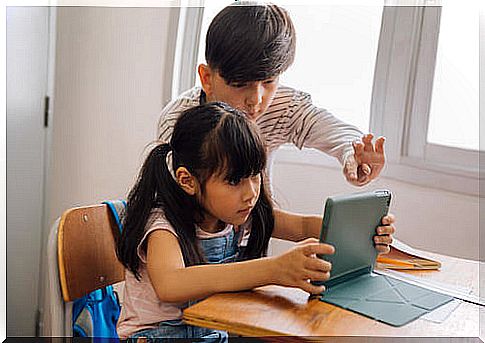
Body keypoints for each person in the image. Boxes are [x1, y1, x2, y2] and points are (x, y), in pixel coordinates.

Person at [158, 2, 395, 254]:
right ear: (207, 78)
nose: (256, 99)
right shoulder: (179, 122)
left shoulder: (282, 106)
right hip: (191, 254)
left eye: (269, 81)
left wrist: (353, 154)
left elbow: (333, 130)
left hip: (251, 250)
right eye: (240, 84)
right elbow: (181, 211)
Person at [117, 102, 339, 341]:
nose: (251, 193)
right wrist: (272, 269)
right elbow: (170, 284)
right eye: (234, 181)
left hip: (211, 333)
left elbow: (303, 227)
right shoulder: (163, 225)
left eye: (255, 175)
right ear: (187, 180)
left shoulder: (238, 213)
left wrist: (359, 230)